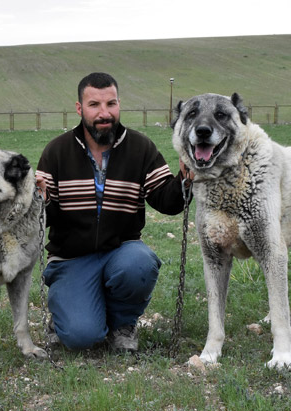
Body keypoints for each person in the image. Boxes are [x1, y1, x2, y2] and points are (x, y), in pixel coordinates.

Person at [35, 72, 192, 352]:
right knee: (82, 337)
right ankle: (68, 313)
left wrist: (185, 179)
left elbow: (165, 200)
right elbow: (45, 218)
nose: (104, 113)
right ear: (79, 108)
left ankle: (122, 324)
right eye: (94, 105)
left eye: (111, 103)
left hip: (121, 252)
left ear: (119, 104)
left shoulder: (140, 148)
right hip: (71, 259)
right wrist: (39, 201)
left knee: (140, 263)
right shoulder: (57, 152)